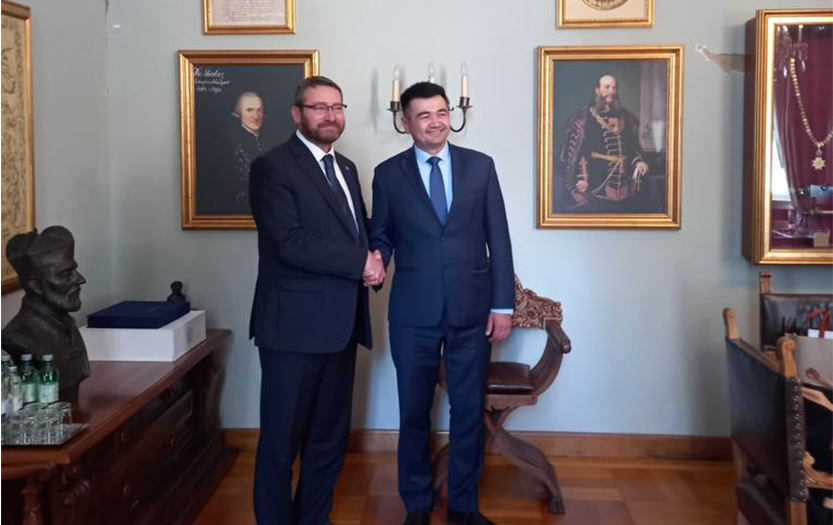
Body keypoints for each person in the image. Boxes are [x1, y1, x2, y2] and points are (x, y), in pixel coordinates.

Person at [369, 82, 514, 525]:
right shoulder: (388, 174)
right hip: (413, 312)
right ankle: (417, 503)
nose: (436, 122)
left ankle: (464, 508)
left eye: (442, 113)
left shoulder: (481, 167)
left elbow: (499, 239)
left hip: (472, 310)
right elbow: (382, 234)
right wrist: (376, 261)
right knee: (414, 411)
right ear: (406, 123)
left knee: (468, 411)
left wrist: (503, 305)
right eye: (425, 115)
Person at [248, 76, 384, 525]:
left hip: (341, 327)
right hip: (293, 331)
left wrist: (378, 254)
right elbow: (290, 242)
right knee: (280, 444)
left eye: (337, 107)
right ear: (297, 113)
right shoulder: (272, 167)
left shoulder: (346, 168)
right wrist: (362, 261)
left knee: (327, 441)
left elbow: (356, 232)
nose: (330, 116)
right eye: (319, 107)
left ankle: (314, 519)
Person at [1, 226, 90, 402]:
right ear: (35, 285)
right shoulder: (17, 337)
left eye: (73, 270)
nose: (80, 279)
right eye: (65, 274)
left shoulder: (68, 324)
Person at [555, 74, 649, 212]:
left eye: (614, 88)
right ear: (597, 90)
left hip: (624, 189)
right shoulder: (585, 118)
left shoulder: (625, 117)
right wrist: (581, 179)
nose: (611, 91)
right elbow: (576, 153)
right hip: (596, 186)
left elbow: (632, 147)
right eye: (607, 87)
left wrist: (638, 161)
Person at [231, 91, 265, 212]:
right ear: (239, 114)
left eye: (259, 110)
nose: (256, 116)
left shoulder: (267, 141)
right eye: (249, 110)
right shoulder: (236, 145)